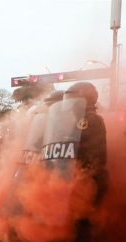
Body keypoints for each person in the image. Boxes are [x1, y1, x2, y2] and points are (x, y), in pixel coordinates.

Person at [64, 82, 108, 242]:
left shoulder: (88, 120)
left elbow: (78, 146)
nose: (69, 105)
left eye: (73, 100)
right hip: (84, 176)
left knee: (82, 222)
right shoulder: (84, 119)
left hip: (89, 178)